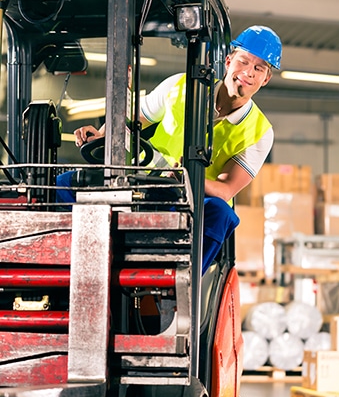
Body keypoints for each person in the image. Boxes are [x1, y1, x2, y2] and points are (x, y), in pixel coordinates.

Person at [57, 25, 282, 273]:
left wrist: (189, 176)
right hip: (141, 184)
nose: (248, 72)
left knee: (220, 214)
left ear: (266, 78)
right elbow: (133, 118)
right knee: (63, 184)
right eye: (244, 62)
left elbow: (226, 189)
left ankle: (183, 285)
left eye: (258, 68)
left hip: (189, 202)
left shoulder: (260, 132)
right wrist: (100, 135)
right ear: (229, 62)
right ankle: (68, 265)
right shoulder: (181, 86)